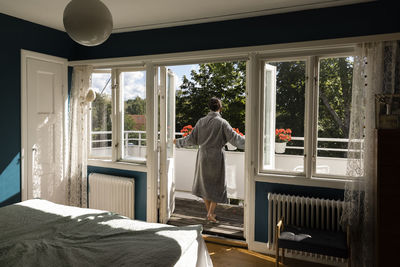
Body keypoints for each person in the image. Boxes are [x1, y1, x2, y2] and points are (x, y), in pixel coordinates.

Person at [173, 97, 245, 223]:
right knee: (218, 185)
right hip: (216, 156)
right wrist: (253, 142)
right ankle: (210, 213)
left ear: (209, 107)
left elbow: (191, 139)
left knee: (205, 185)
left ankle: (209, 213)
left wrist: (177, 142)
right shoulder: (222, 123)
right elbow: (236, 139)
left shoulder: (201, 122)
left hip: (203, 156)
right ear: (220, 108)